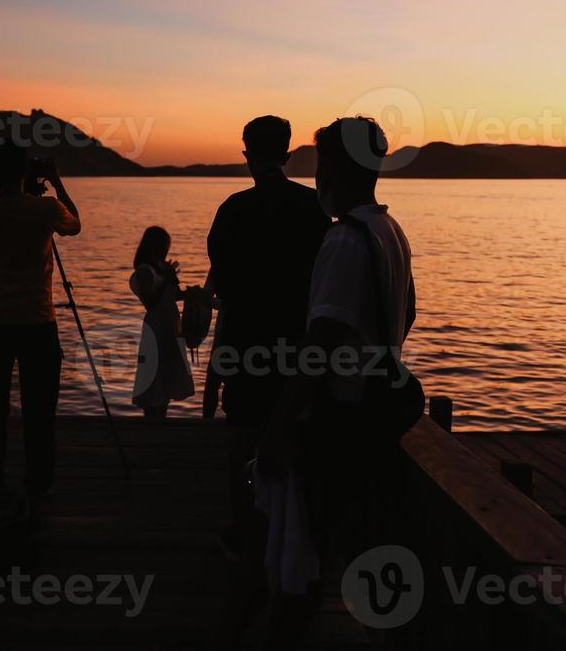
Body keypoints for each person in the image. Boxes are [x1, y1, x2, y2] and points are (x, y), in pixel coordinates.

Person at [255, 116, 417, 648]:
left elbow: (320, 342)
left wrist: (278, 428)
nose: (318, 177)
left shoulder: (345, 240)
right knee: (362, 542)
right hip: (376, 412)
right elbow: (408, 314)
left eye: (322, 165)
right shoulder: (389, 231)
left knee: (308, 553)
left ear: (340, 170)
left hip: (344, 419)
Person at [204, 116, 330, 563]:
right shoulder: (316, 207)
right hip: (298, 348)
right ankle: (292, 536)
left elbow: (223, 282)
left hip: (244, 345)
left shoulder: (233, 210)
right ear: (289, 154)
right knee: (294, 439)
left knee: (243, 440)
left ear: (246, 155)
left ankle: (247, 534)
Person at [0, 144, 81, 508]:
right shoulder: (45, 209)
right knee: (40, 409)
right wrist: (56, 183)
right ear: (25, 173)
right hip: (37, 322)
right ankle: (38, 484)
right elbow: (74, 226)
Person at [128, 226, 195, 418]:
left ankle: (161, 418)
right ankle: (151, 420)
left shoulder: (161, 268)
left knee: (167, 373)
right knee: (154, 375)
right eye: (163, 246)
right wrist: (167, 279)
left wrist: (189, 293)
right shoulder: (144, 270)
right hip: (156, 326)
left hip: (171, 325)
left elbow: (171, 296)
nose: (166, 250)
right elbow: (150, 302)